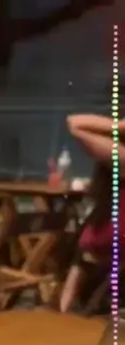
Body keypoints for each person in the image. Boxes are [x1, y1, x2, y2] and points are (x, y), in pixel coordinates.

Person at [59, 114, 125, 313]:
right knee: (84, 240)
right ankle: (66, 308)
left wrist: (119, 126)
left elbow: (74, 124)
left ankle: (64, 312)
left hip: (111, 238)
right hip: (109, 236)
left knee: (82, 244)